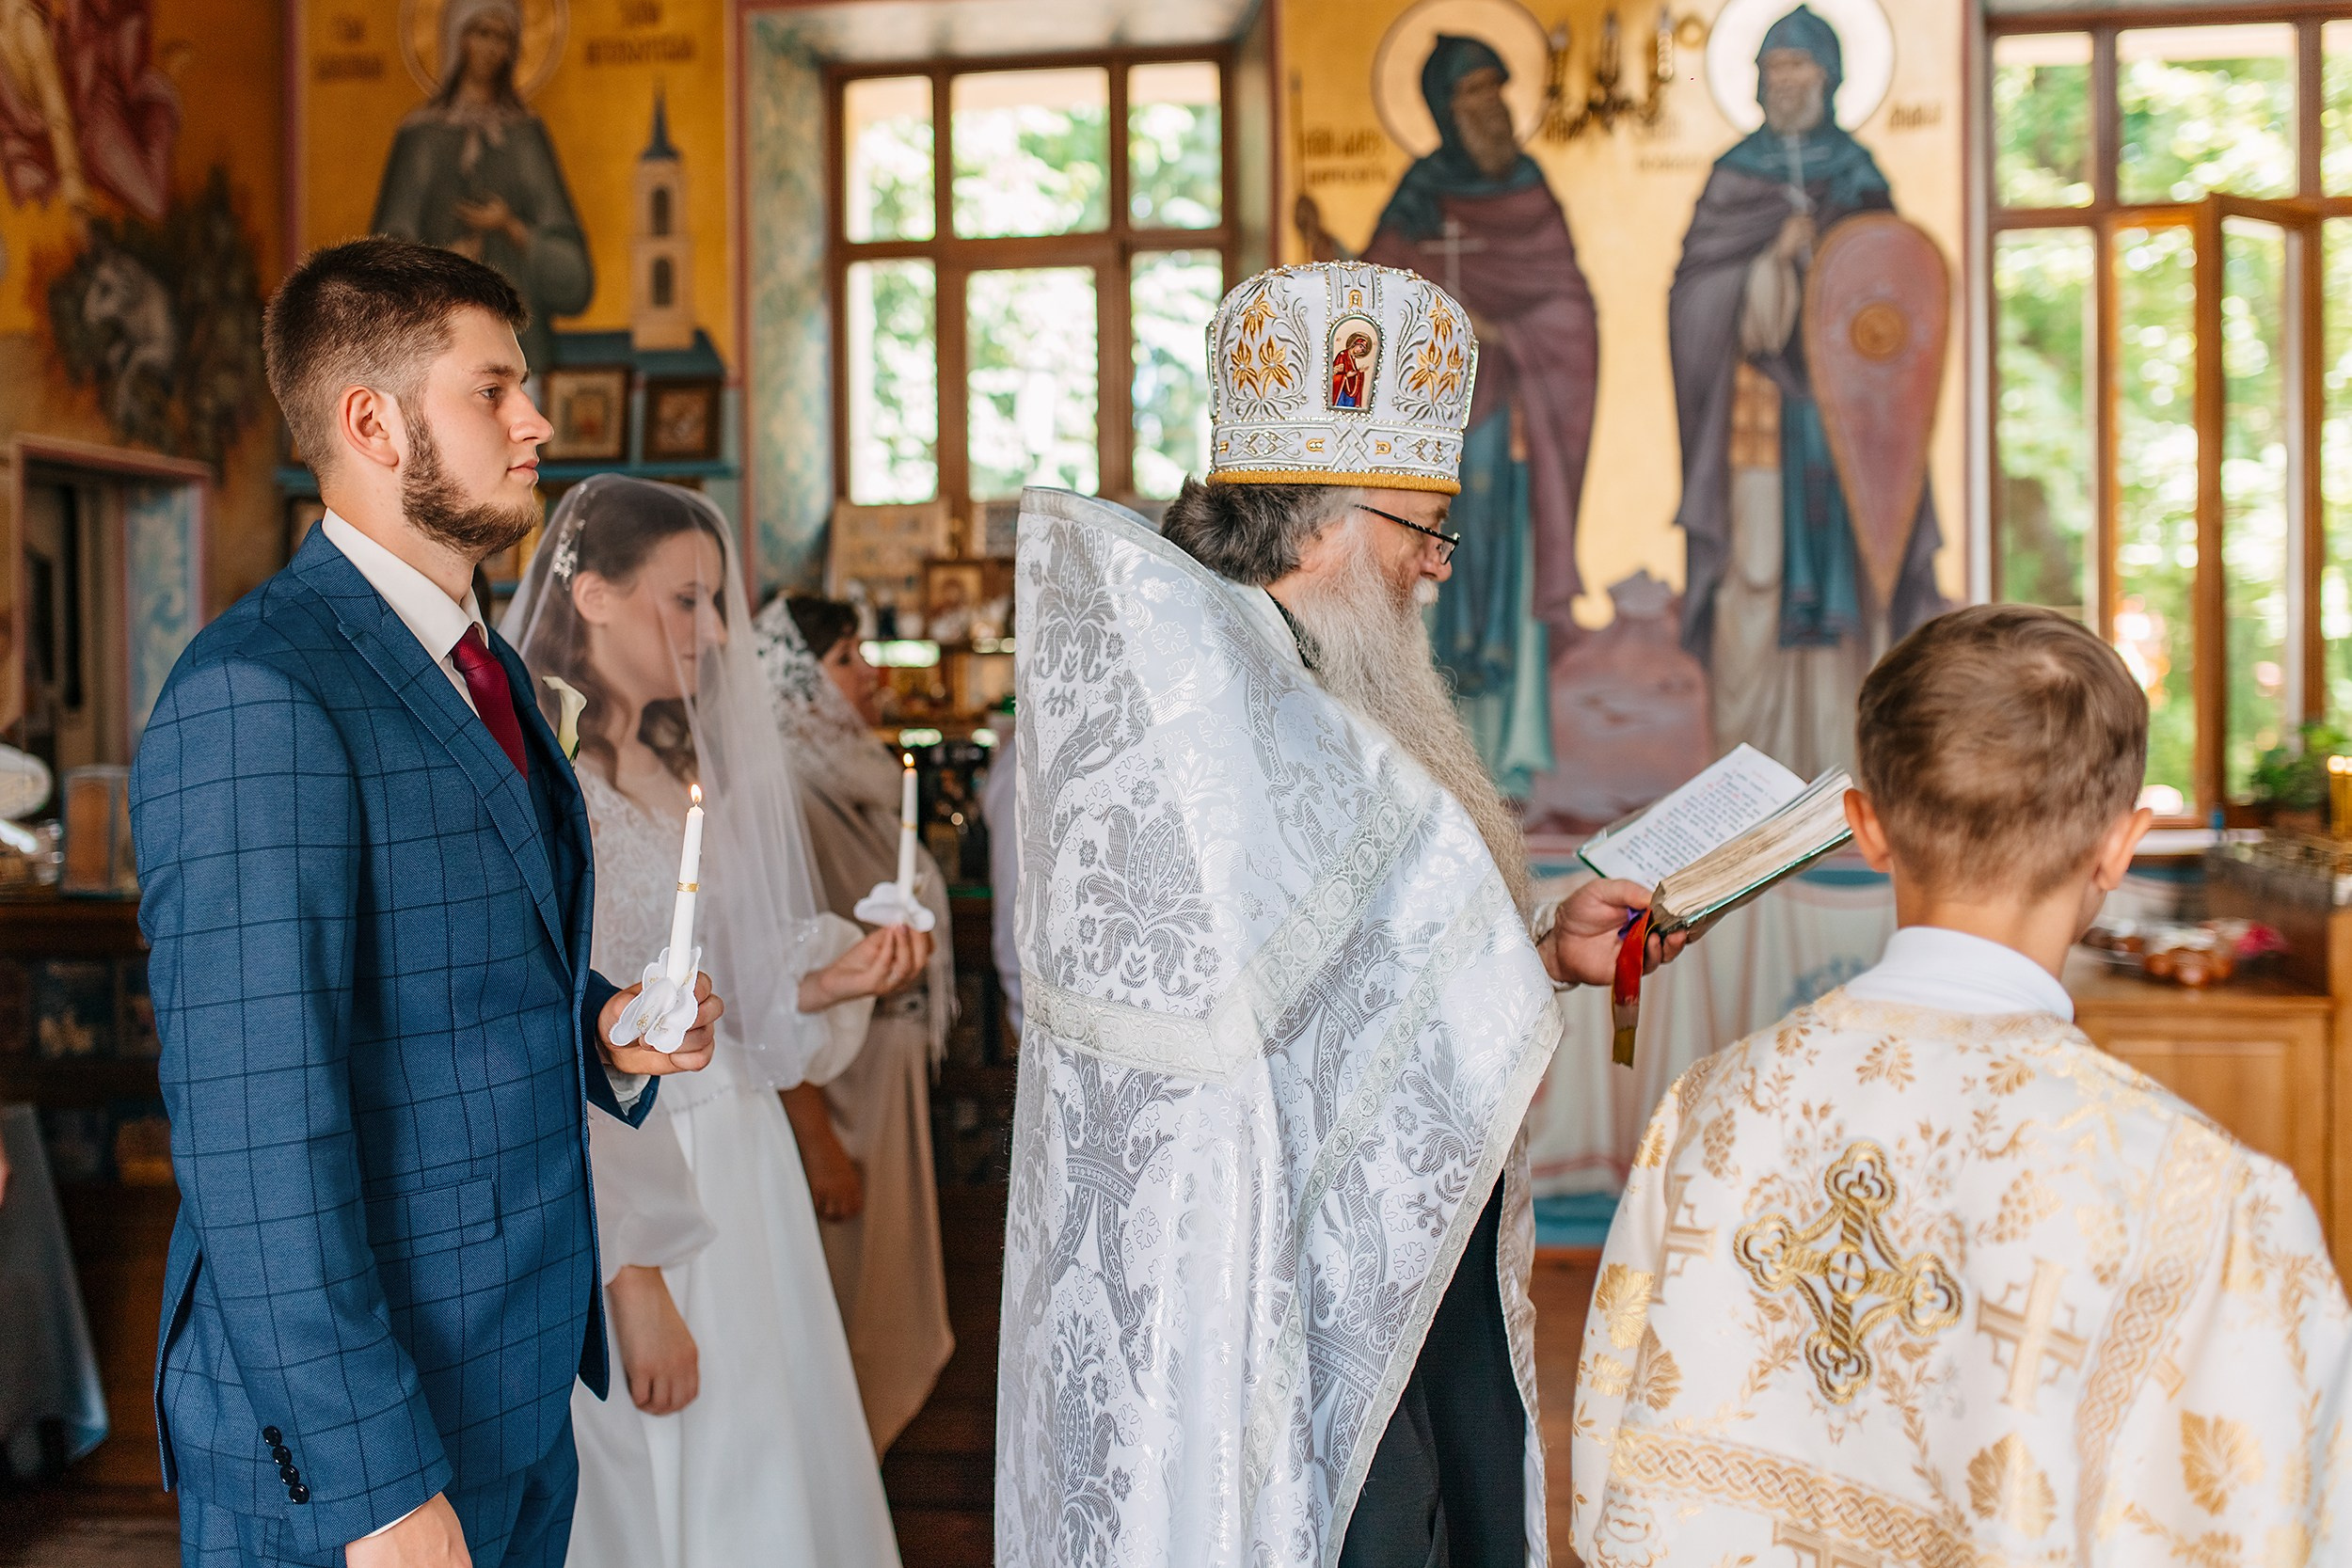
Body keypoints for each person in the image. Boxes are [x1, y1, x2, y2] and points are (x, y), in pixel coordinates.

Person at [995, 261, 1680, 1568]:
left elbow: (1354, 995)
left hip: (1399, 1251)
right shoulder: (1207, 722)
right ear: (1319, 521)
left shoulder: (1313, 693)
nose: (1436, 559)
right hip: (1276, 1294)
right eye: (1423, 521)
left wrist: (1543, 955)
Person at [133, 237, 722, 1568]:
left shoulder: (482, 666)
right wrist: (375, 1485)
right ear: (370, 421)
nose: (538, 424)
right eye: (494, 390)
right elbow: (255, 1138)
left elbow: (454, 966)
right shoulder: (260, 694)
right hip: (353, 1442)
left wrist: (605, 1026)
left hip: (506, 1379)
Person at [1572, 604, 2352, 1566]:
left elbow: (1612, 1455)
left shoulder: (1710, 1110)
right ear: (2120, 843)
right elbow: (2265, 1518)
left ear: (1863, 825)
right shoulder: (2203, 1195)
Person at [501, 476, 922, 1568]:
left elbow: (734, 973)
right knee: (661, 1464)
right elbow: (550, 1037)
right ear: (591, 595)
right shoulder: (544, 785)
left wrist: (837, 975)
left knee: (765, 1447)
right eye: (685, 601)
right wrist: (631, 1281)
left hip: (740, 1153)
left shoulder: (681, 765)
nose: (716, 631)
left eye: (717, 602)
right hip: (630, 1172)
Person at [1301, 32, 1598, 799]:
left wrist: (1507, 333)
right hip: (1438, 436)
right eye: (1471, 96)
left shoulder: (1528, 183)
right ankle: (1440, 759)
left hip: (1515, 431)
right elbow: (1372, 296)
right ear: (1441, 107)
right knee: (1428, 576)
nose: (1489, 110)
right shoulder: (1420, 194)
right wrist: (1325, 247)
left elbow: (1570, 306)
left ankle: (1511, 756)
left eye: (1495, 92)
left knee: (1503, 576)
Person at [1668, 4, 1943, 777]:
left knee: (1852, 594)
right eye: (1775, 68)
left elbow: (1895, 299)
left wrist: (1832, 265)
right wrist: (1765, 267)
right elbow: (1692, 299)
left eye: (1801, 68)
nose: (1786, 83)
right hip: (1755, 424)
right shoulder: (1734, 176)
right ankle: (1741, 772)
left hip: (1842, 431)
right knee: (1751, 577)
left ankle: (1839, 769)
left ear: (1831, 78)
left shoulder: (1859, 177)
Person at [753, 594, 957, 1454]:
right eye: (846, 659)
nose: (870, 674)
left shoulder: (854, 774)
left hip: (884, 1078)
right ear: (797, 684)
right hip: (836, 1094)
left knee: (882, 1295)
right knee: (850, 1308)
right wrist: (817, 1139)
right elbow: (767, 981)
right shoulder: (784, 797)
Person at [373, 0, 592, 381]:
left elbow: (574, 275)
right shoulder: (420, 137)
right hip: (435, 352)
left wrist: (510, 226)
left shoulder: (526, 137)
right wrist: (443, 263)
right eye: (481, 33)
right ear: (458, 39)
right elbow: (384, 254)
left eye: (503, 37)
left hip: (522, 347)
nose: (492, 48)